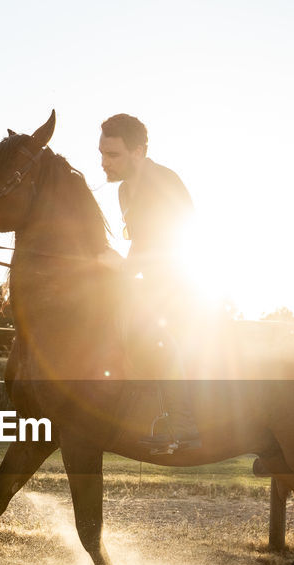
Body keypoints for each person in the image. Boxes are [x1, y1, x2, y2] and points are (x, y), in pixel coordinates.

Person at [97, 113, 201, 453]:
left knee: (152, 332)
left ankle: (183, 424)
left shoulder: (162, 182)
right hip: (153, 280)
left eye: (113, 155)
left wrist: (125, 268)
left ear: (139, 152)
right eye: (102, 153)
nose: (104, 163)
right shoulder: (125, 191)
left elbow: (167, 242)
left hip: (181, 282)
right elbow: (139, 242)